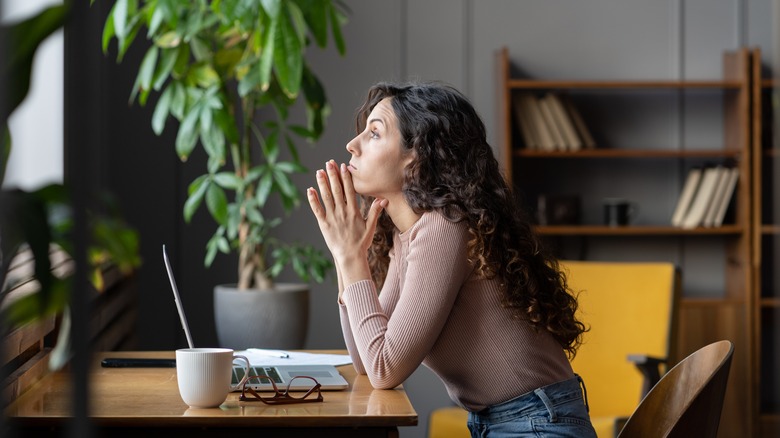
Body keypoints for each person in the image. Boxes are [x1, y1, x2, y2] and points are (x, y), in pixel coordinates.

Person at [306, 81, 596, 437]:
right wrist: (344, 254)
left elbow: (384, 368)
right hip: (513, 422)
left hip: (537, 424)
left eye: (375, 133)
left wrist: (351, 258)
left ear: (416, 156)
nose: (353, 145)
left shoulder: (445, 227)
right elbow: (367, 362)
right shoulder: (409, 237)